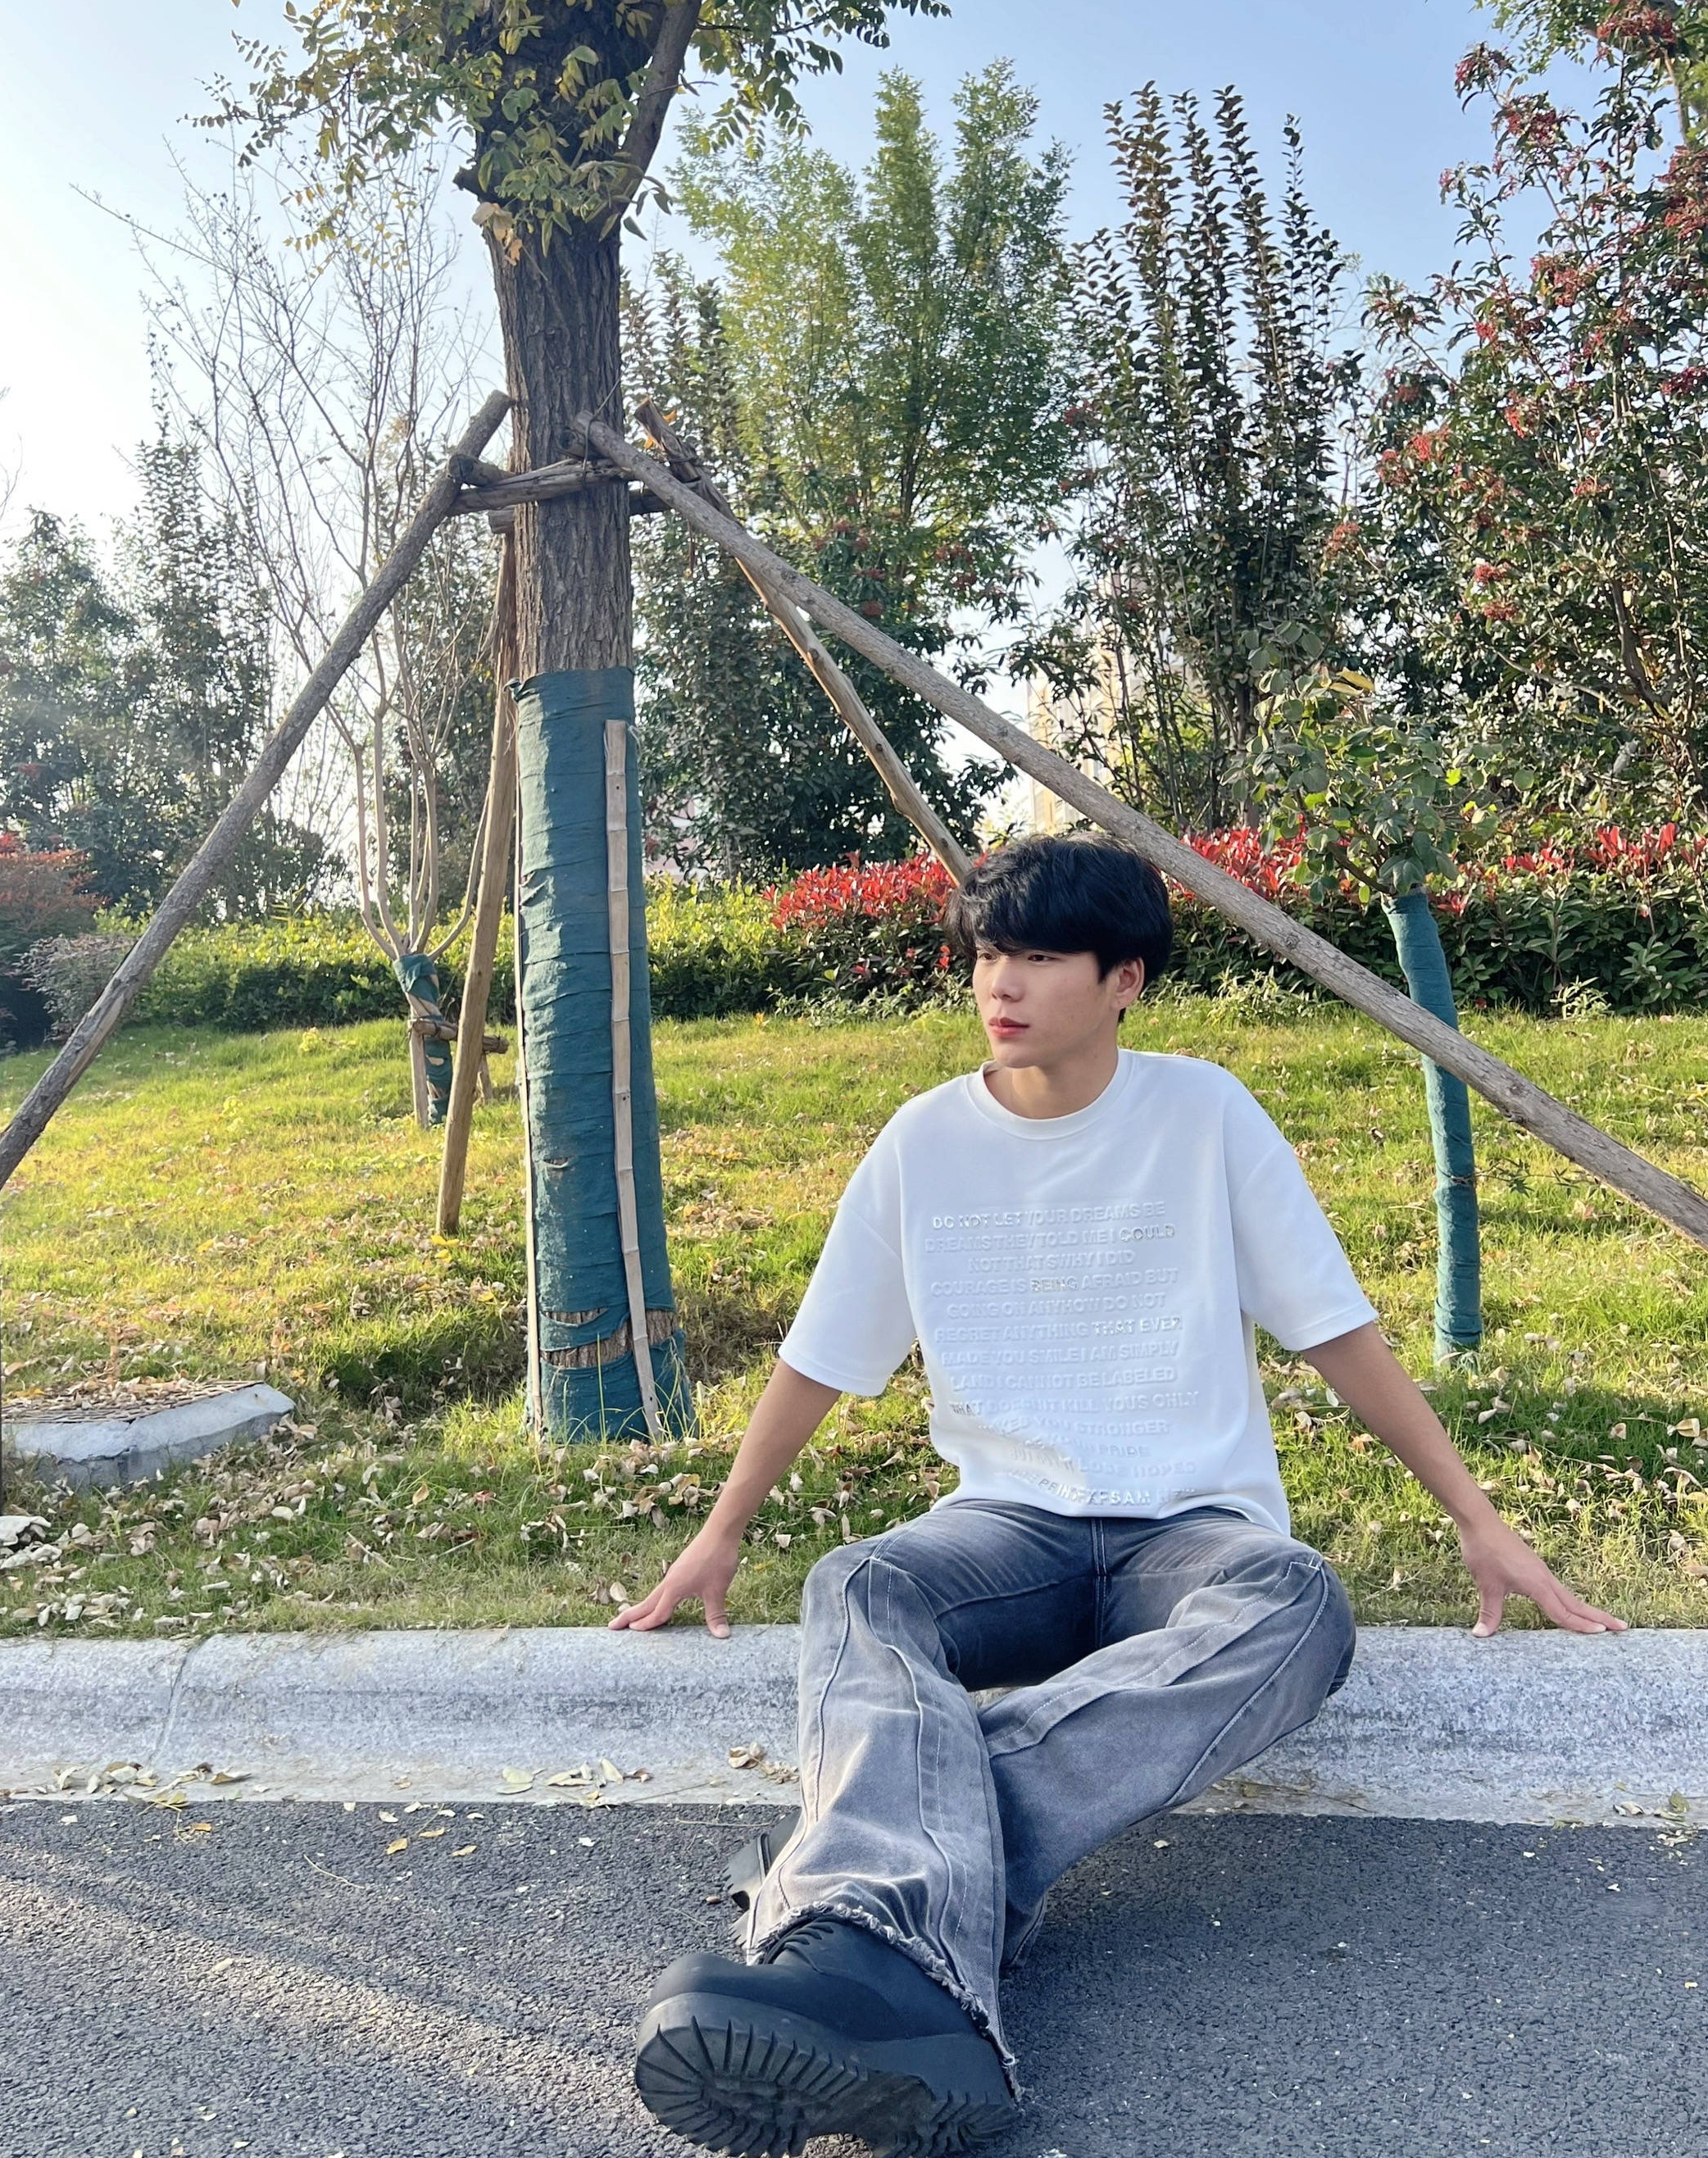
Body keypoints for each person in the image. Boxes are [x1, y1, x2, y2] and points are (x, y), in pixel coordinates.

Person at [616, 835, 1625, 2158]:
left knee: (1296, 1604)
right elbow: (822, 1355)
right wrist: (722, 1530)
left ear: (1125, 979)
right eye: (988, 956)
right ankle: (906, 1951)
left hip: (1190, 1532)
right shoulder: (924, 1144)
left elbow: (1336, 1331)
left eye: (1040, 957)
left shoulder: (1205, 1116)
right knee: (860, 1582)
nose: (1001, 984)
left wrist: (1477, 1518)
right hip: (1008, 1527)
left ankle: (859, 1908)